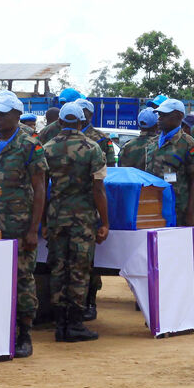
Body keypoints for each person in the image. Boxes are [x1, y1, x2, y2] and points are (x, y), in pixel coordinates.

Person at [0, 95, 48, 358]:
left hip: (20, 225)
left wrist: (34, 229)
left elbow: (40, 188)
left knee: (22, 279)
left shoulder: (30, 145)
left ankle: (24, 334)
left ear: (17, 115)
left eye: (3, 114)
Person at [42, 102, 108, 342]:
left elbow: (41, 189)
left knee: (58, 268)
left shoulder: (47, 148)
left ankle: (60, 324)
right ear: (82, 122)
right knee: (79, 269)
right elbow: (98, 189)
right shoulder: (93, 148)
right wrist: (105, 222)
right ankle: (76, 324)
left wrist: (44, 222)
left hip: (56, 217)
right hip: (83, 219)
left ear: (60, 122)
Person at [76, 98, 115, 320]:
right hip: (70, 208)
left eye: (85, 111)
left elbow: (111, 172)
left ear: (90, 115)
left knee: (88, 260)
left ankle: (90, 300)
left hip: (91, 202)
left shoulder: (100, 139)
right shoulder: (61, 137)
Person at [147, 99, 194, 228]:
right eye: (159, 115)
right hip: (153, 208)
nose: (159, 119)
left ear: (179, 116)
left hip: (178, 212)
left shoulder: (189, 144)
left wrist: (191, 213)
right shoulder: (152, 143)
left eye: (164, 115)